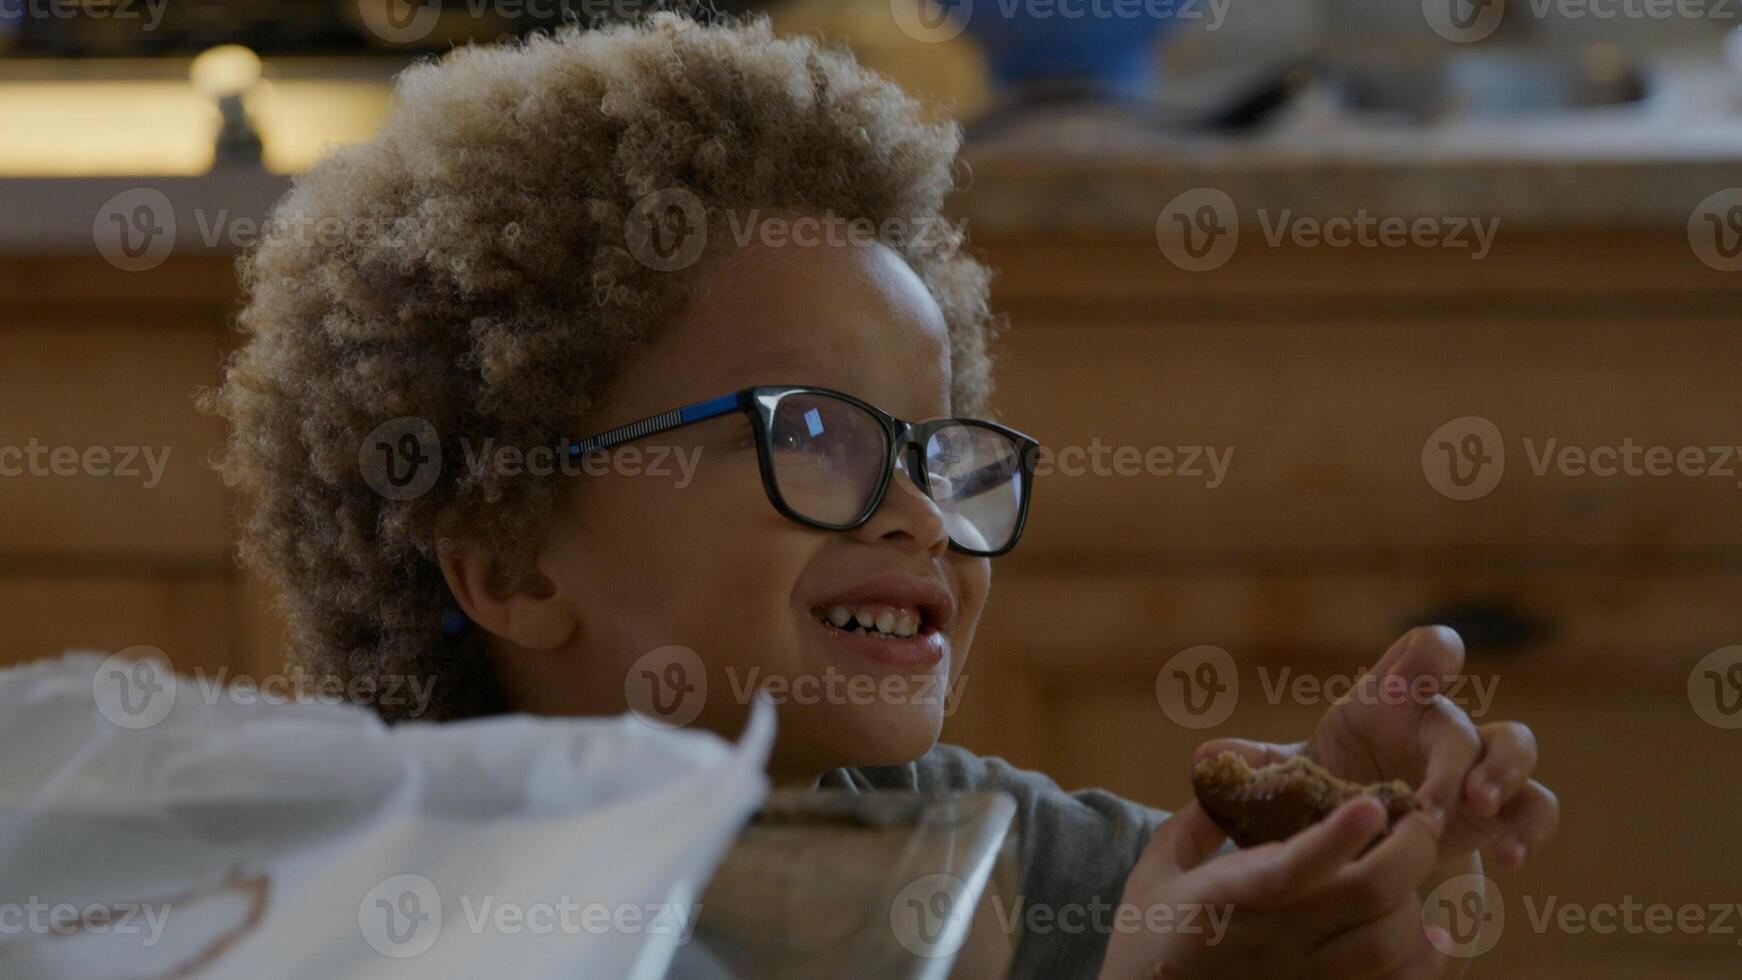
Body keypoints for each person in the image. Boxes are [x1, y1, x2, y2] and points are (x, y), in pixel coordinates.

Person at [206, 13, 1558, 977]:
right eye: (812, 433)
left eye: (934, 450)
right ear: (508, 563)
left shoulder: (944, 829)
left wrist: (1342, 837)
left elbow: (1193, 904)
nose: (916, 514)